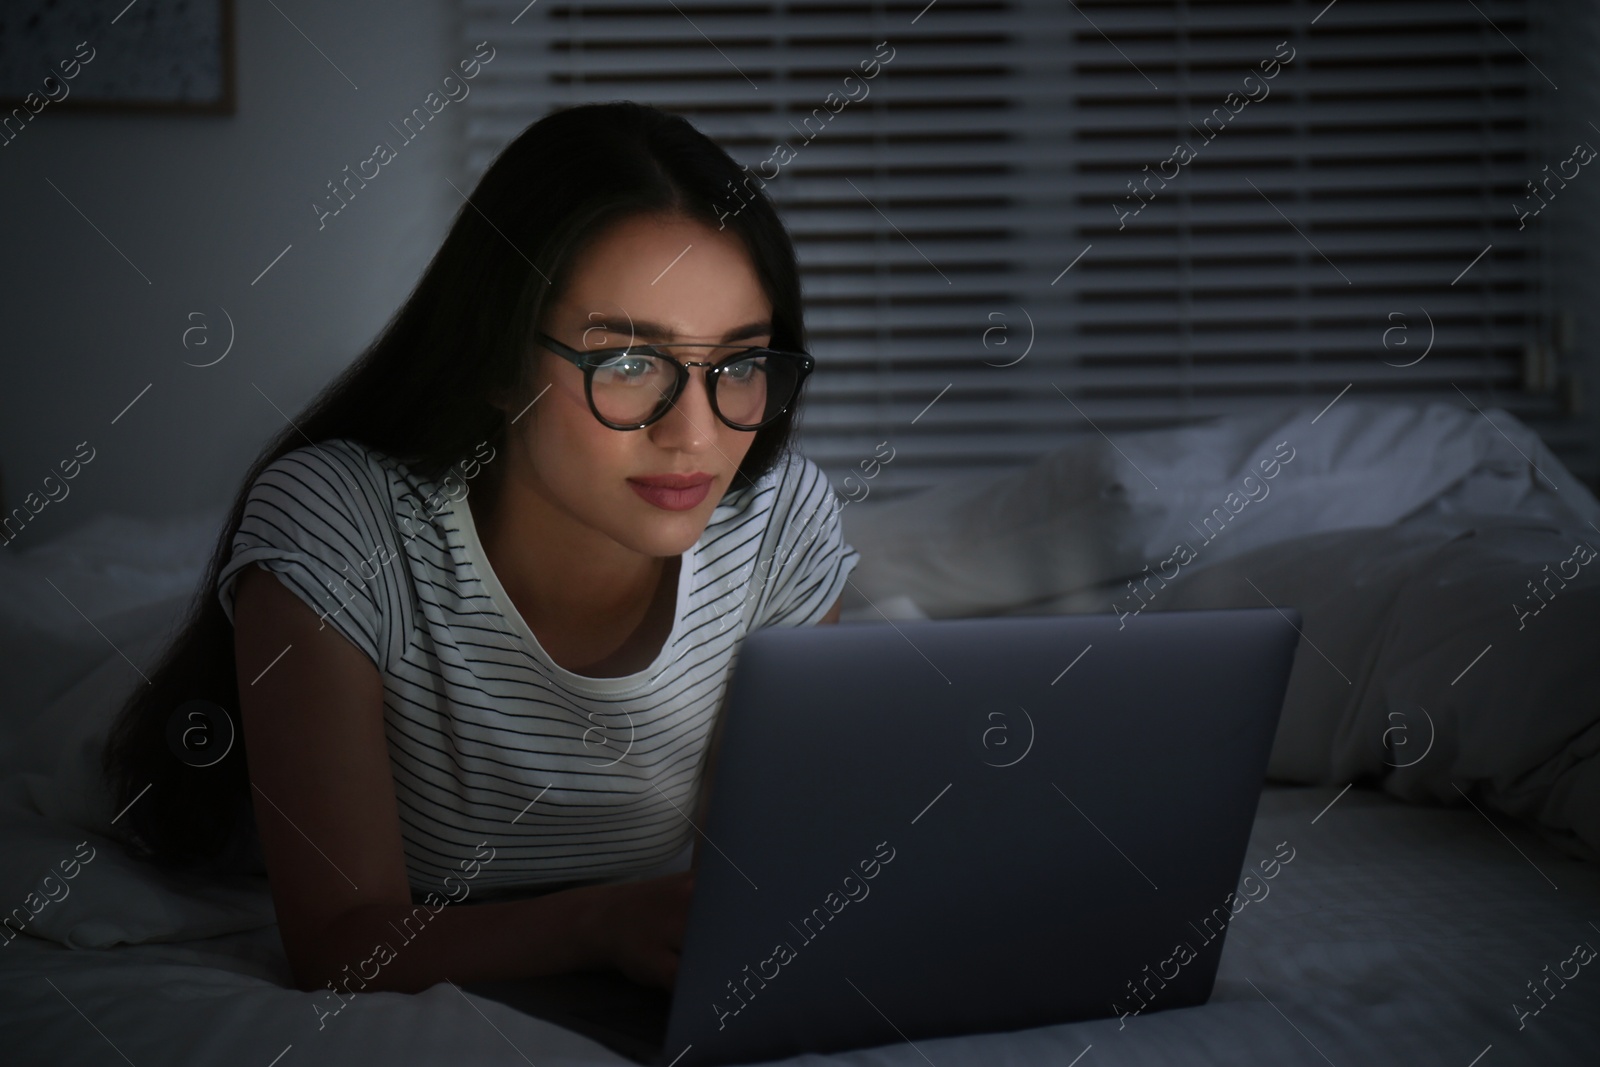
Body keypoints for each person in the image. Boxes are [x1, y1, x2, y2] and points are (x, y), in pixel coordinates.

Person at [101, 101, 858, 998]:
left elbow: (752, 887)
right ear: (497, 363)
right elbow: (340, 944)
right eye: (624, 363)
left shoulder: (781, 522)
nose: (696, 436)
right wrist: (601, 922)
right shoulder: (337, 525)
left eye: (738, 364)